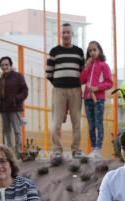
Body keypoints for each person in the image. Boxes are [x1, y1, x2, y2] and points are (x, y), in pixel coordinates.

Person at [45, 23, 84, 159]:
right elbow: (48, 73)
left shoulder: (79, 52)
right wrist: (58, 83)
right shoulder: (54, 51)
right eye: (64, 33)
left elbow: (83, 72)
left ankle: (76, 149)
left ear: (72, 34)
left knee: (77, 121)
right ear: (60, 35)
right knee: (56, 122)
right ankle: (57, 150)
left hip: (76, 90)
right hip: (59, 90)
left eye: (68, 32)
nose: (66, 35)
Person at [80, 41, 113, 159]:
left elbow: (109, 83)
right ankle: (93, 148)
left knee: (99, 123)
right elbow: (82, 80)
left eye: (94, 50)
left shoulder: (104, 65)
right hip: (87, 98)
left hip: (98, 99)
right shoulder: (88, 65)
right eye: (90, 51)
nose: (92, 52)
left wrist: (97, 87)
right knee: (91, 124)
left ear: (99, 50)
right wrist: (86, 67)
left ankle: (98, 149)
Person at [0, 56, 28, 152]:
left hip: (15, 108)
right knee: (6, 132)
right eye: (2, 65)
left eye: (6, 64)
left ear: (10, 65)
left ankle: (18, 152)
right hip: (4, 109)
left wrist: (16, 99)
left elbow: (25, 91)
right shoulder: (1, 79)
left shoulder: (18, 76)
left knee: (17, 131)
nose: (4, 67)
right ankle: (8, 151)